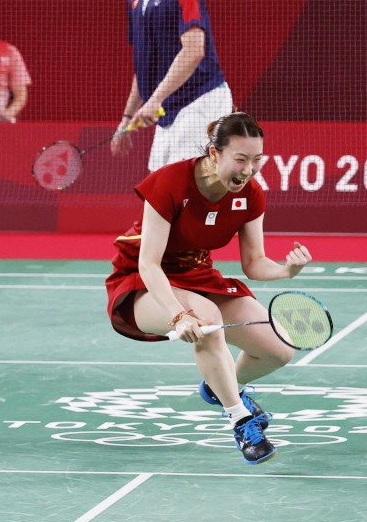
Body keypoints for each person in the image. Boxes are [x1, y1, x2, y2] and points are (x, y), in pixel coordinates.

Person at [105, 112, 312, 465]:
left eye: (257, 160)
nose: (248, 170)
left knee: (278, 349)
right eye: (241, 159)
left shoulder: (250, 195)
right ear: (215, 154)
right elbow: (148, 264)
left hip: (198, 277)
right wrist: (178, 314)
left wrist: (286, 270)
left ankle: (218, 386)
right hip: (143, 284)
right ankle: (241, 420)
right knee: (206, 319)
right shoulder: (169, 183)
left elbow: (253, 263)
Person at [112, 0, 233, 172]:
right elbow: (143, 67)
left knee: (183, 186)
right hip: (170, 106)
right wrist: (126, 117)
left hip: (201, 98)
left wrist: (154, 101)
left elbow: (193, 51)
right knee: (160, 188)